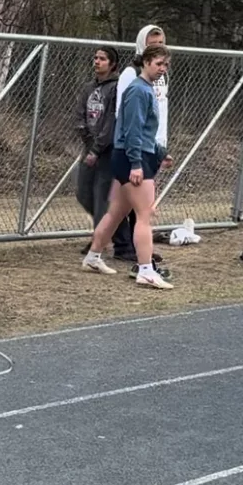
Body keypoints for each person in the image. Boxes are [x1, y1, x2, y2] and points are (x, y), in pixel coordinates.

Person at [80, 43, 173, 290]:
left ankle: (93, 256)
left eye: (166, 64)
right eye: (158, 63)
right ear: (145, 62)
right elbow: (131, 130)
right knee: (144, 215)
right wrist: (136, 164)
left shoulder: (147, 89)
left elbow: (145, 130)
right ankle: (145, 269)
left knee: (116, 212)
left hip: (137, 155)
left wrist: (160, 153)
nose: (162, 68)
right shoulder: (138, 91)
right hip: (132, 158)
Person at [112, 24, 171, 278]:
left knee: (132, 208)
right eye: (151, 42)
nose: (155, 44)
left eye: (159, 41)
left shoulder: (159, 77)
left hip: (151, 146)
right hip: (134, 148)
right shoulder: (132, 77)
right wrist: (134, 157)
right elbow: (127, 116)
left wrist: (159, 146)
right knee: (141, 210)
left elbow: (158, 112)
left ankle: (96, 254)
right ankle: (142, 263)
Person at [75, 47, 120, 229]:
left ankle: (98, 238)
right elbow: (79, 115)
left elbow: (111, 121)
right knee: (83, 192)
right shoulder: (89, 88)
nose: (97, 61)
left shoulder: (115, 88)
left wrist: (97, 148)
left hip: (107, 149)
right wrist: (87, 139)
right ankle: (109, 226)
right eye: (95, 58)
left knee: (101, 194)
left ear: (112, 64)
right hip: (89, 145)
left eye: (102, 59)